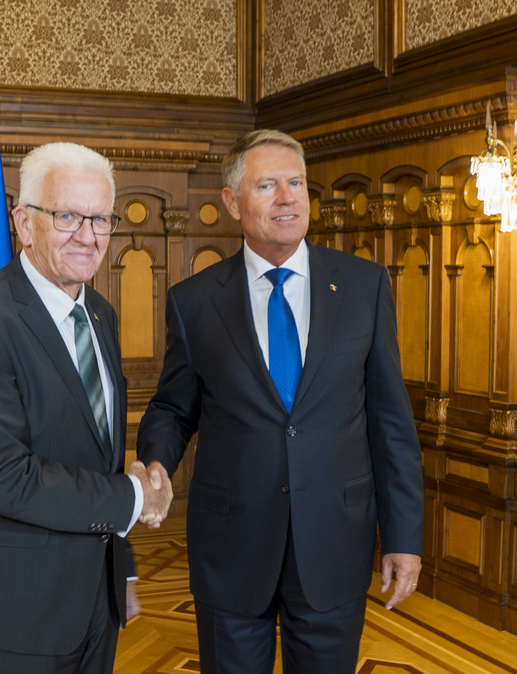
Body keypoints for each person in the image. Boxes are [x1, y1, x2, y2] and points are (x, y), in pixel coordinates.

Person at [136, 129, 424, 673]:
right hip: (231, 548)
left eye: (296, 183)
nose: (287, 197)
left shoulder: (364, 287)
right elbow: (174, 408)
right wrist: (155, 460)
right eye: (267, 185)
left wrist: (404, 536)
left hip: (335, 544)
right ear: (232, 201)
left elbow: (391, 424)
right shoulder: (194, 302)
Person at [0, 141, 173, 673]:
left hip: (97, 598)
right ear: (23, 222)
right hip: (15, 608)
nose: (88, 237)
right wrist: (135, 497)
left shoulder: (101, 316)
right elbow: (4, 476)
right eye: (67, 216)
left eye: (101, 219)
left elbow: (98, 457)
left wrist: (123, 564)